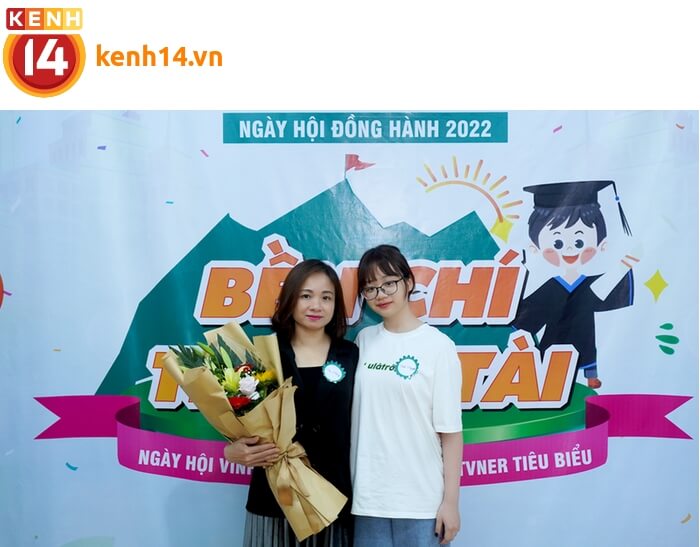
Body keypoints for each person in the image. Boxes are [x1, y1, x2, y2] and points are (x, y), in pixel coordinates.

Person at [224, 259, 358, 547]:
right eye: (306, 296)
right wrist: (232, 450)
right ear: (290, 300)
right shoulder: (262, 355)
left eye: (326, 297)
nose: (316, 305)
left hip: (332, 500)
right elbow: (240, 420)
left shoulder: (351, 355)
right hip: (274, 497)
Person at [350, 245, 463, 546]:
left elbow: (451, 433)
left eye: (389, 283)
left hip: (421, 502)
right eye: (370, 288)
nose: (381, 294)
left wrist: (450, 502)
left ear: (409, 282)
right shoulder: (364, 340)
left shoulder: (438, 346)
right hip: (368, 499)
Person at [513, 180, 638, 389]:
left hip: (583, 329)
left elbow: (609, 291)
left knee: (587, 345)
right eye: (557, 243)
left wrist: (626, 263)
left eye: (579, 242)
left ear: (601, 243)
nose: (570, 250)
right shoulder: (552, 286)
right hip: (555, 334)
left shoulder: (590, 284)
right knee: (552, 352)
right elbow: (530, 313)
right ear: (536, 247)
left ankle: (591, 375)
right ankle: (549, 376)